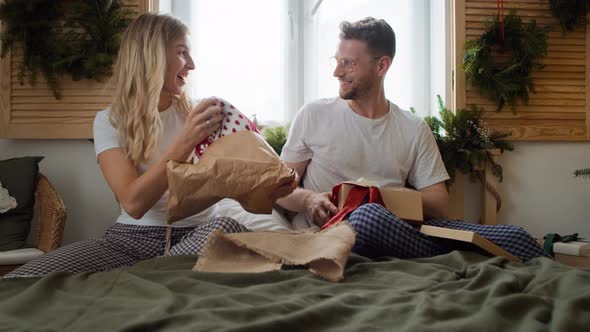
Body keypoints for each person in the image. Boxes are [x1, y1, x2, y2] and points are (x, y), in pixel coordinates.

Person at [6, 13, 297, 278]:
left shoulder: (202, 115)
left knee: (227, 228)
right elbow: (133, 203)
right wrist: (185, 142)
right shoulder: (110, 121)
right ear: (153, 57)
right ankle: (150, 276)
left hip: (198, 234)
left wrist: (279, 187)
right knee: (22, 279)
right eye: (182, 53)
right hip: (130, 240)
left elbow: (235, 179)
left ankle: (144, 278)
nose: (192, 65)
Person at [276, 17, 546, 262]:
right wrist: (308, 200)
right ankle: (457, 256)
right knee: (368, 218)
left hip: (402, 230)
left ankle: (454, 254)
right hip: (336, 233)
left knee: (515, 235)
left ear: (382, 65)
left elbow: (438, 204)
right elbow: (278, 189)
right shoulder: (315, 114)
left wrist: (381, 197)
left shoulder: (412, 127)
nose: (337, 72)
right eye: (336, 61)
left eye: (348, 63)